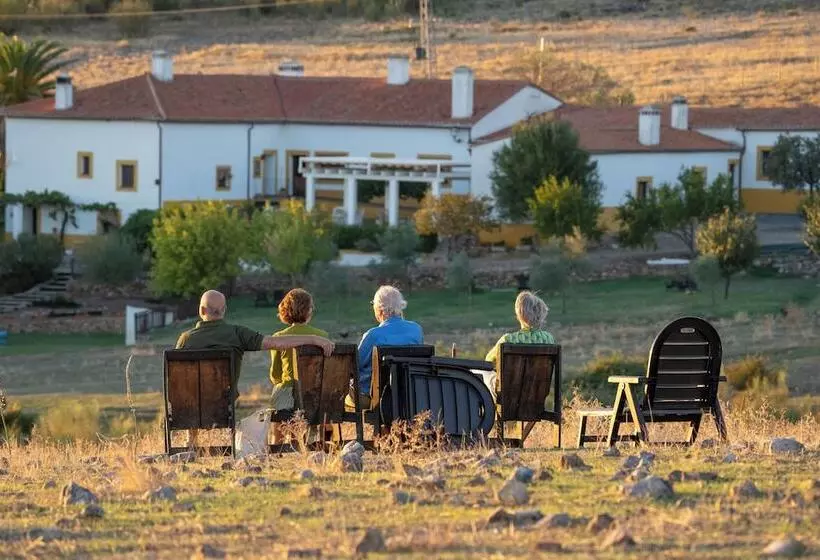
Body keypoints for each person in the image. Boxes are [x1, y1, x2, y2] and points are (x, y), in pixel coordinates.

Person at [175, 290, 334, 446]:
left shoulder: (185, 339)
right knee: (321, 413)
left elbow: (177, 379)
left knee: (192, 392)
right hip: (224, 402)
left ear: (202, 310)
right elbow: (274, 343)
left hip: (191, 406)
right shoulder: (237, 334)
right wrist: (314, 339)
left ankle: (193, 440)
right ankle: (327, 441)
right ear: (224, 310)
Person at [347, 285, 423, 410]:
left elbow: (354, 366)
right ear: (400, 306)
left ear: (379, 309)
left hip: (373, 397)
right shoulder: (416, 330)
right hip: (408, 393)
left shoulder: (373, 335)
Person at [268, 289, 327, 442]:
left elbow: (275, 375)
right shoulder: (322, 336)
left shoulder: (279, 338)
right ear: (308, 311)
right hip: (315, 393)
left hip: (288, 394)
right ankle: (312, 441)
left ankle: (277, 443)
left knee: (279, 392)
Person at [483, 291, 556, 398]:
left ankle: (487, 411)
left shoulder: (507, 340)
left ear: (519, 314)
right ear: (541, 314)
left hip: (509, 395)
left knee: (482, 372)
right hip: (537, 394)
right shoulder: (549, 339)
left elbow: (488, 360)